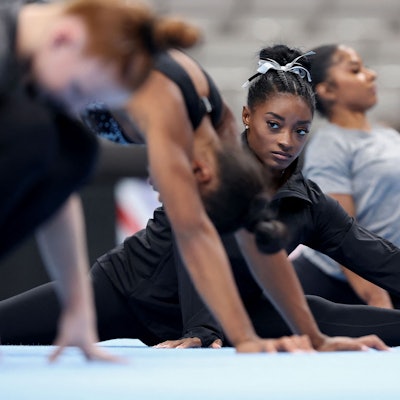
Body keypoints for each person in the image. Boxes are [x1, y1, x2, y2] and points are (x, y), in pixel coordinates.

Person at [3, 44, 400, 352]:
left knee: (340, 317)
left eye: (300, 130)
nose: (286, 141)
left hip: (237, 312)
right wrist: (201, 328)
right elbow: (192, 238)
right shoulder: (211, 161)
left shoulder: (309, 204)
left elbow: (374, 255)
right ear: (247, 117)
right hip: (126, 293)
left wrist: (220, 329)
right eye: (274, 124)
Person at [0, 0, 205, 360]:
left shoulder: (36, 84)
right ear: (65, 37)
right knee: (38, 133)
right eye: (79, 91)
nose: (74, 105)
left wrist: (78, 311)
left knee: (75, 149)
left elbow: (58, 198)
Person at [293, 44, 400, 309]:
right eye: (355, 70)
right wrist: (377, 300)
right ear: (328, 90)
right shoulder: (330, 145)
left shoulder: (388, 136)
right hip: (340, 287)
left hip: (387, 276)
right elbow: (339, 232)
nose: (371, 74)